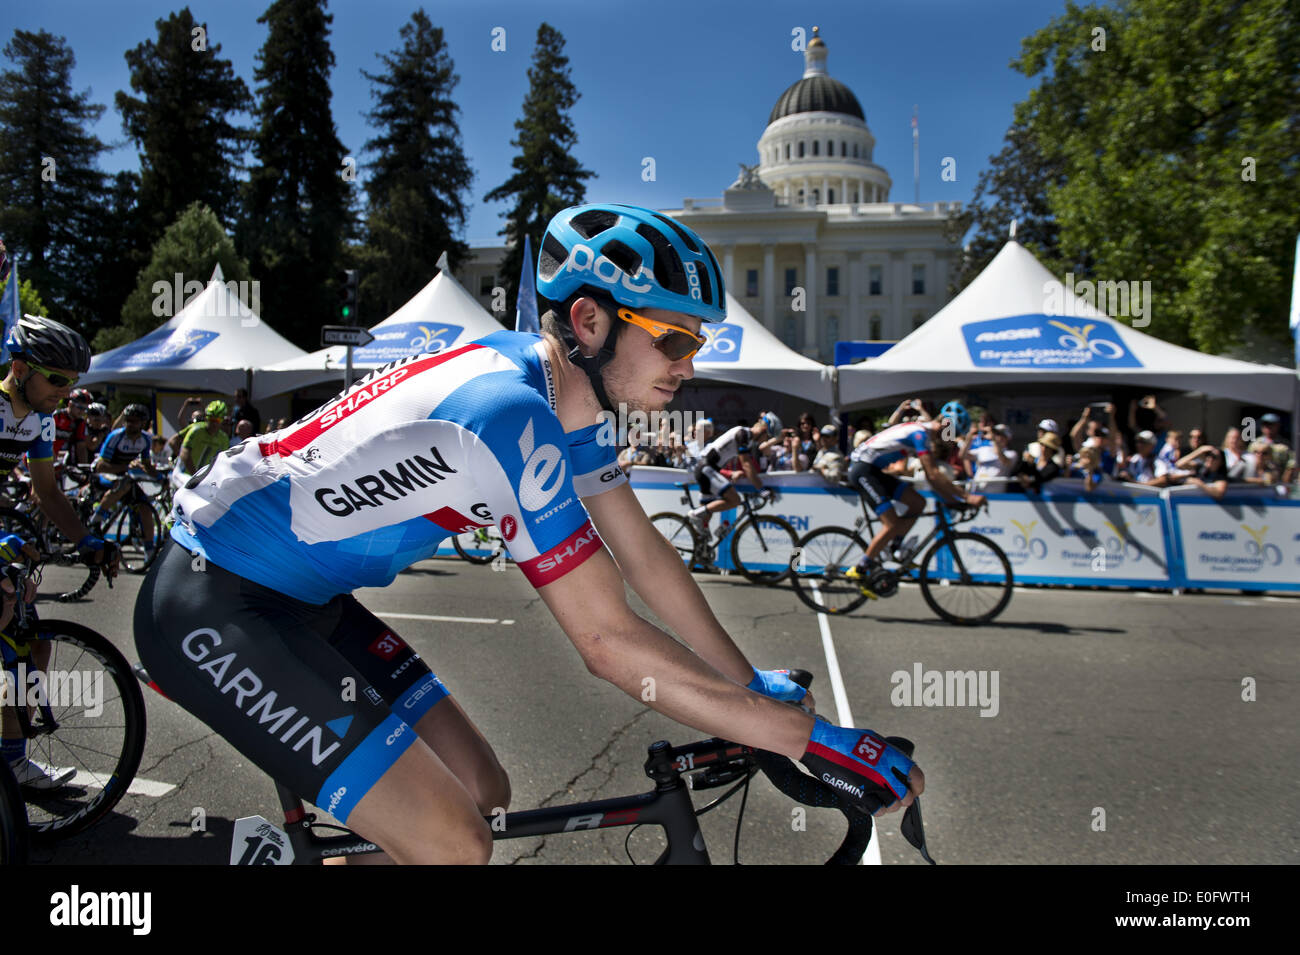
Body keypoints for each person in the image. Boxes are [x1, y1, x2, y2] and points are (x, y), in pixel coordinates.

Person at [133, 203, 921, 864]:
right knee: (455, 843)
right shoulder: (510, 413)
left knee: (484, 791)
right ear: (590, 319)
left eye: (700, 343)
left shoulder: (562, 401)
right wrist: (804, 736)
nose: (691, 363)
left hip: (308, 597)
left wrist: (747, 690)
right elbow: (608, 642)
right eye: (675, 338)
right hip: (214, 599)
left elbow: (645, 562)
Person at [0, 316, 118, 788]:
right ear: (20, 367)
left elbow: (48, 492)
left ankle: (11, 759)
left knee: (31, 637)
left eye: (73, 384)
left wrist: (87, 540)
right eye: (56, 380)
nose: (64, 393)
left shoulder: (41, 419)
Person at [845, 400, 985, 588]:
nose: (952, 441)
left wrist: (954, 501)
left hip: (874, 470)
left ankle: (895, 549)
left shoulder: (925, 434)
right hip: (862, 470)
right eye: (952, 433)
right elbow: (934, 475)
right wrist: (966, 497)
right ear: (945, 425)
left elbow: (933, 479)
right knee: (892, 523)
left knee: (917, 503)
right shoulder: (920, 434)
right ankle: (860, 569)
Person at [688, 413, 780, 535]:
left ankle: (701, 549)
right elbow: (747, 465)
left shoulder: (748, 439)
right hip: (706, 469)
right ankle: (695, 514)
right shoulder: (743, 434)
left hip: (707, 469)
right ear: (763, 430)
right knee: (735, 500)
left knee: (705, 521)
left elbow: (750, 466)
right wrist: (761, 489)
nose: (766, 440)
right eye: (767, 436)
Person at [175, 400, 231, 481]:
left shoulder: (223, 438)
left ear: (222, 420)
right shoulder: (196, 430)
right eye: (211, 420)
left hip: (202, 478)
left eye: (217, 420)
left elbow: (222, 462)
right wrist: (196, 477)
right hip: (183, 473)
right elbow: (185, 454)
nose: (214, 424)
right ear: (206, 418)